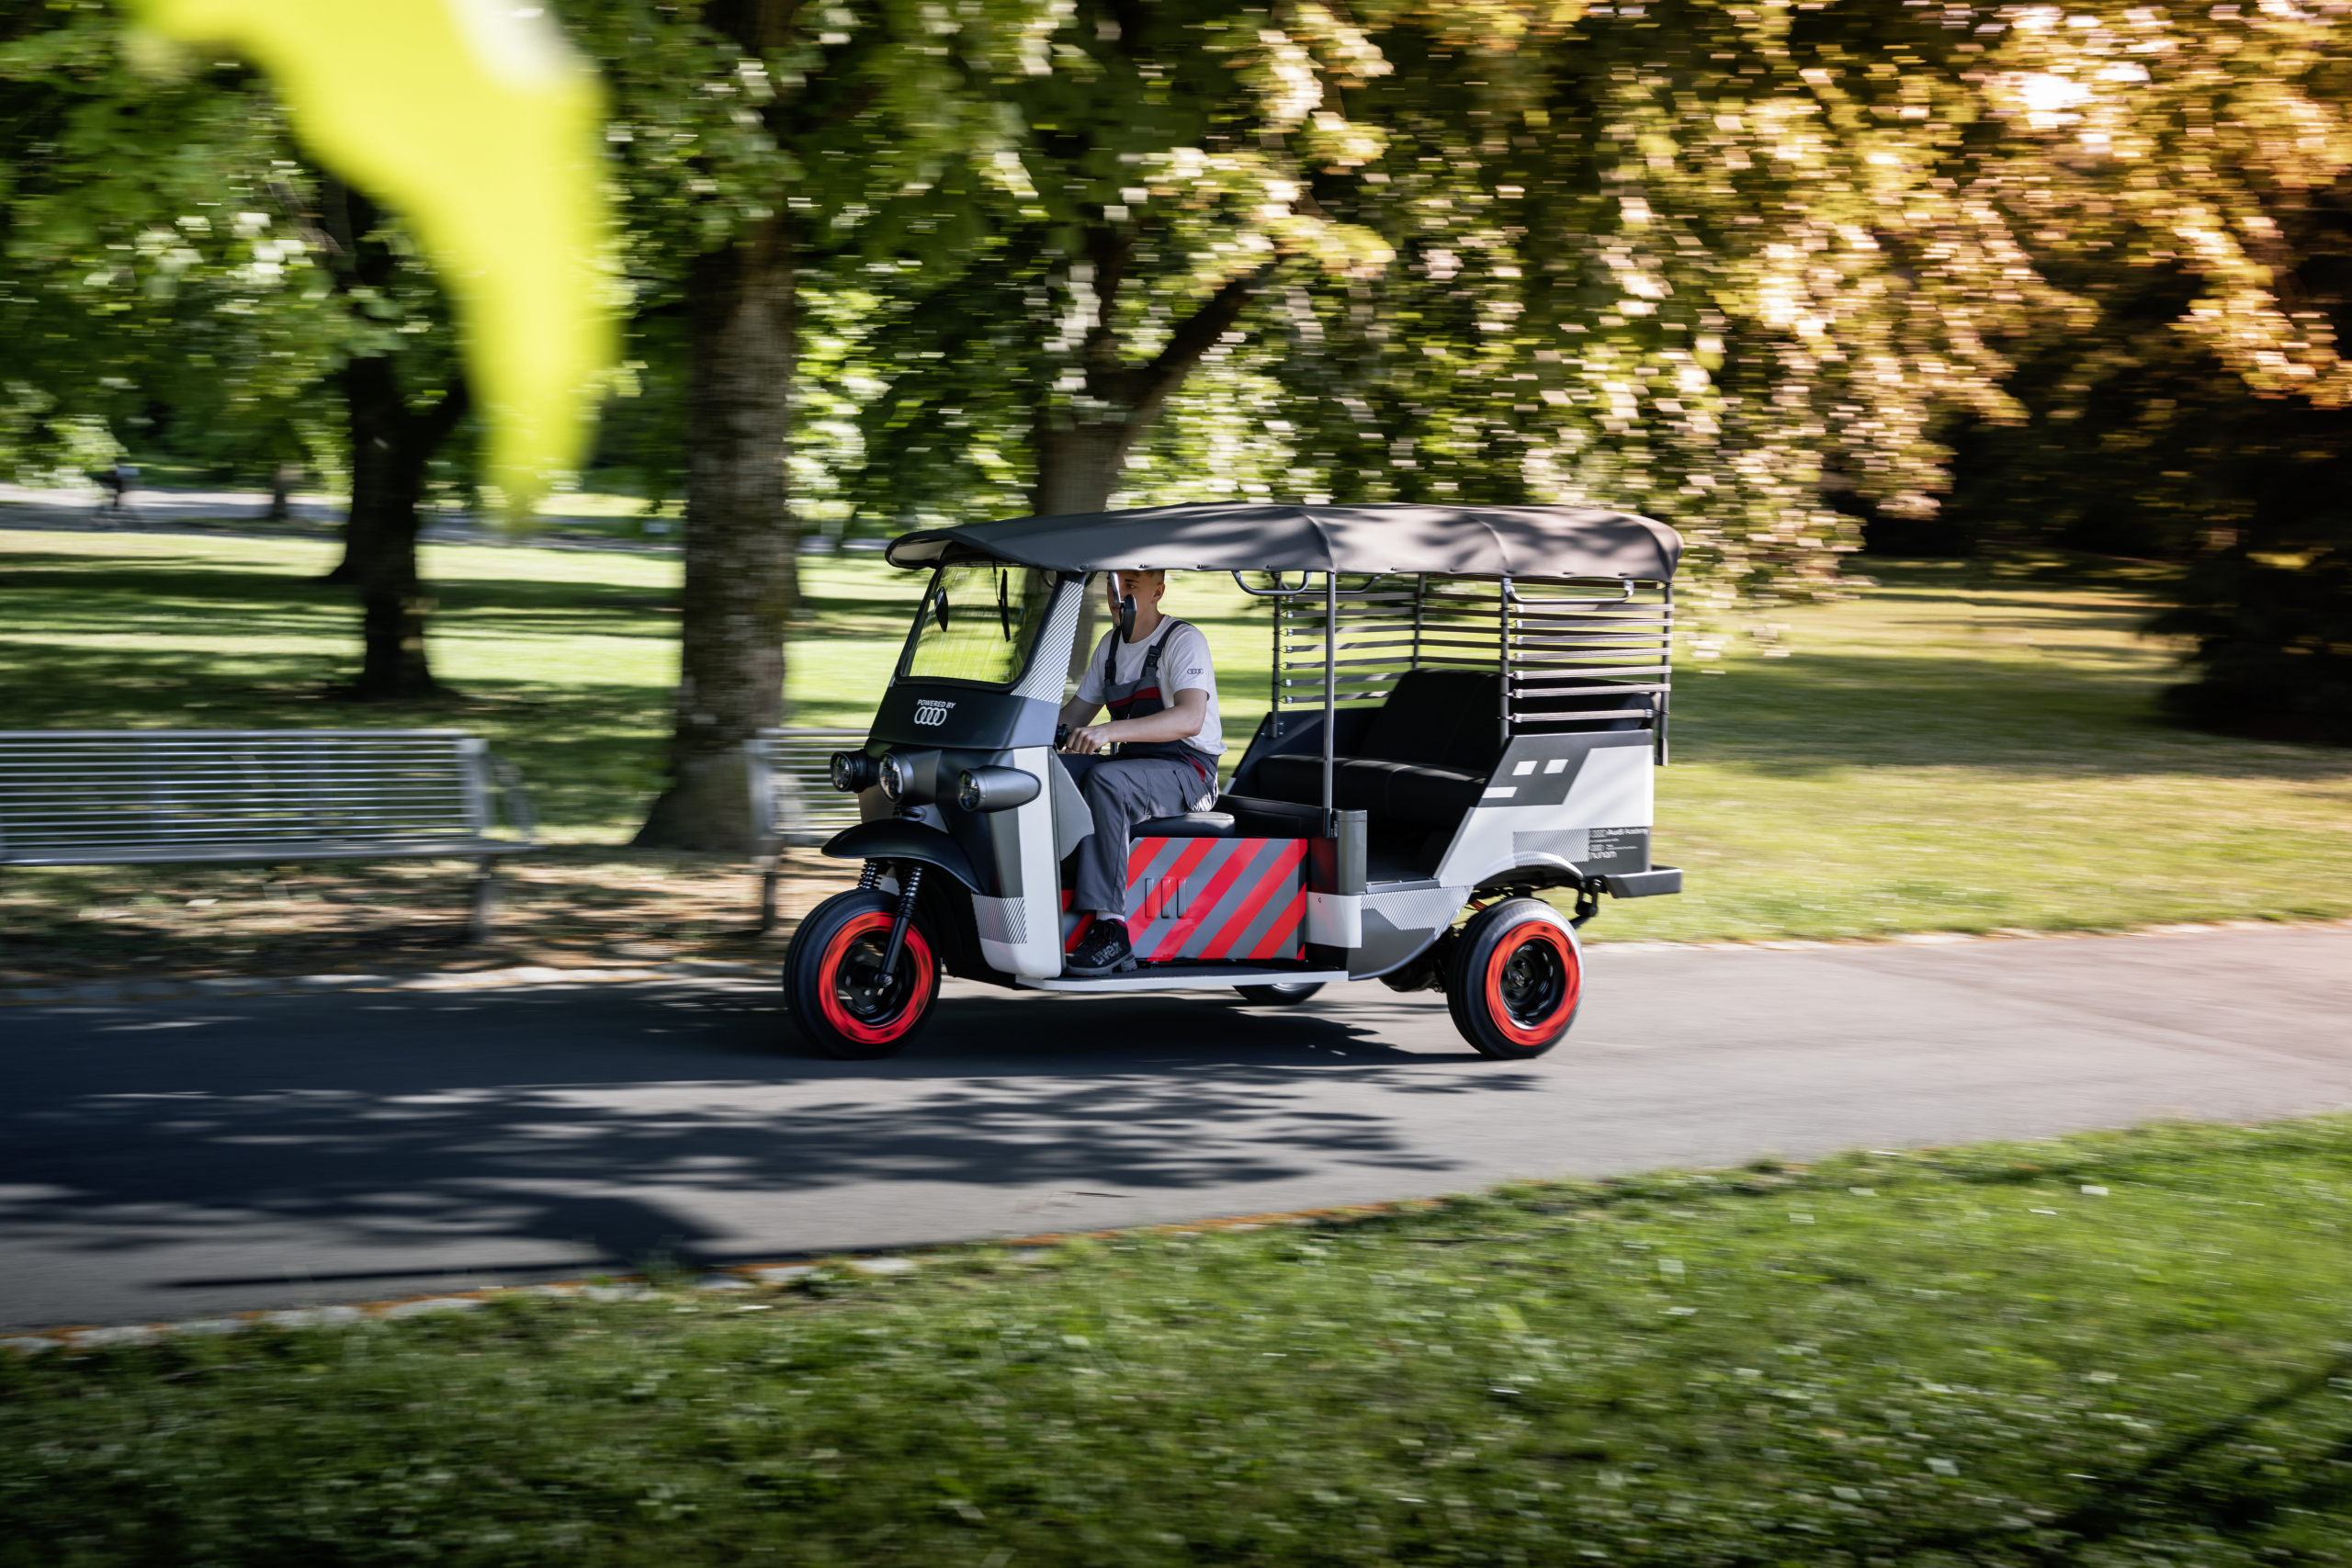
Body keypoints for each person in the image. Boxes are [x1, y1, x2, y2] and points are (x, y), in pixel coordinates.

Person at [1057, 568, 1225, 975]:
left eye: (1130, 585)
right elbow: (1071, 718)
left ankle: (1110, 930)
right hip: (1134, 766)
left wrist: (1109, 730)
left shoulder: (1183, 641)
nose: (1118, 595)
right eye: (1112, 586)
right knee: (1049, 770)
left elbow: (1189, 718)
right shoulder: (1110, 646)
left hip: (1189, 771)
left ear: (1157, 592)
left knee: (1105, 779)